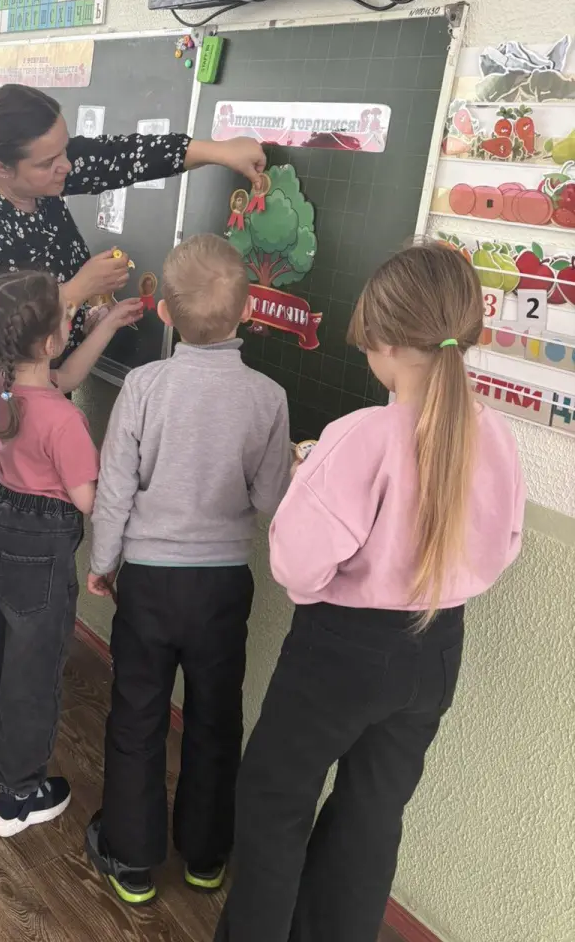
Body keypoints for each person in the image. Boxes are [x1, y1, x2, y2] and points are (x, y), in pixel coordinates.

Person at [216, 242, 526, 942]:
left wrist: (307, 480)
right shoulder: (497, 436)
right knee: (373, 814)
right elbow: (501, 548)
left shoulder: (359, 436)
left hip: (342, 652)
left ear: (384, 342)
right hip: (438, 647)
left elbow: (298, 567)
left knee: (275, 800)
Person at [0, 84, 268, 710]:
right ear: (1, 167)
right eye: (49, 161)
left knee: (16, 552)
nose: (67, 167)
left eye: (66, 151)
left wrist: (219, 152)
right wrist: (74, 290)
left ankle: (3, 665)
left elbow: (123, 156)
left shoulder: (44, 182)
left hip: (41, 393)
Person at [83, 234, 292, 905]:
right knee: (215, 718)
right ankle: (206, 856)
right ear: (248, 312)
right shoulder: (269, 397)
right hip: (222, 585)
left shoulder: (144, 386)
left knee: (137, 715)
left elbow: (115, 487)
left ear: (165, 312)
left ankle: (132, 857)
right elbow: (271, 498)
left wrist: (103, 562)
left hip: (148, 579)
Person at [0, 269, 144, 836]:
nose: (72, 319)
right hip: (39, 543)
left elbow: (62, 376)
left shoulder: (5, 386)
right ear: (53, 341)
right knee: (32, 671)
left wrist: (106, 325)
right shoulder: (64, 419)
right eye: (68, 318)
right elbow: (87, 499)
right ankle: (17, 795)